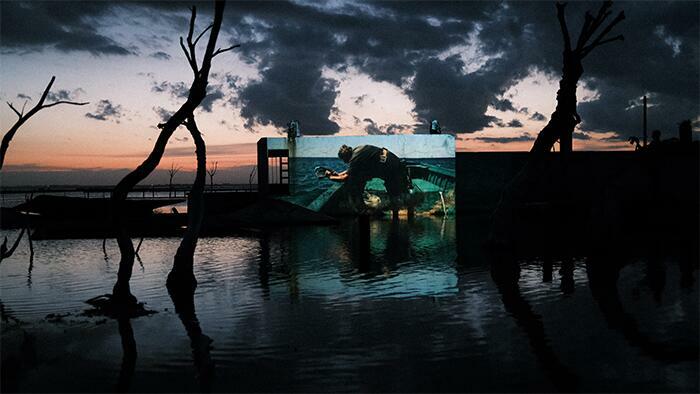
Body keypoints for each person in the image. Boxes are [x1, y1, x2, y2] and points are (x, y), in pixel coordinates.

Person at [326, 144, 412, 216]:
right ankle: (400, 211)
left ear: (346, 156)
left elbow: (345, 177)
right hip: (394, 161)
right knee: (359, 175)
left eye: (344, 160)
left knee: (393, 192)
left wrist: (330, 177)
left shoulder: (355, 158)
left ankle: (395, 217)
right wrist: (337, 174)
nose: (345, 162)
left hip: (391, 168)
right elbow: (352, 170)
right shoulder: (357, 150)